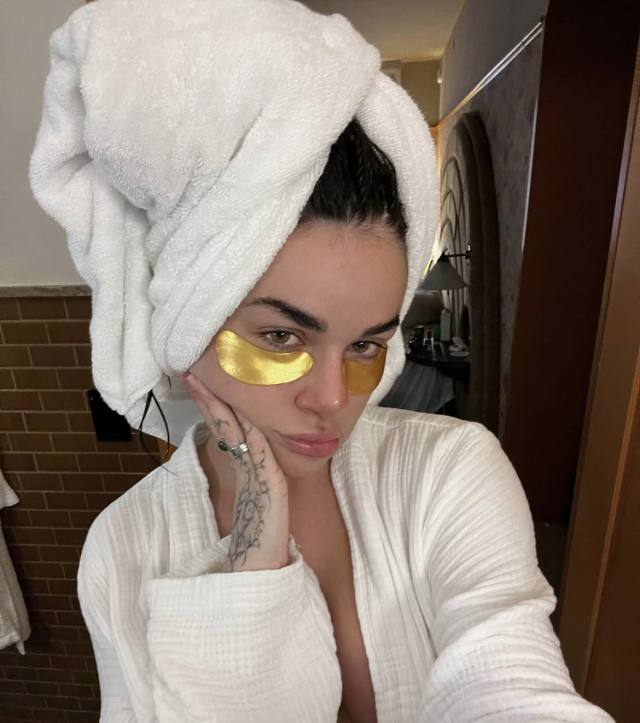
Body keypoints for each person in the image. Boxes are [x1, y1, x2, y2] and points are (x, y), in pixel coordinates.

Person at [29, 1, 614, 721]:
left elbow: (509, 682)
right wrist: (255, 562)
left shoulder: (449, 471)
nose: (335, 399)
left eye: (366, 343)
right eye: (282, 337)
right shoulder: (124, 548)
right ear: (184, 325)